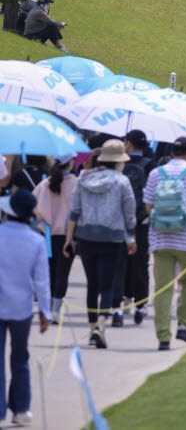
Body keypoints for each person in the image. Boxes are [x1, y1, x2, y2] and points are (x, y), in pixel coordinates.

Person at [65, 139, 136, 349]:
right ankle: (101, 326)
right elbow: (129, 213)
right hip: (112, 238)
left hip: (86, 237)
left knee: (92, 285)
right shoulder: (122, 181)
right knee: (107, 285)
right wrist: (131, 237)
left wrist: (70, 239)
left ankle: (92, 327)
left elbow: (74, 211)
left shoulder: (83, 178)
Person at [143, 137, 186, 350]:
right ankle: (185, 325)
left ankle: (163, 336)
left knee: (163, 287)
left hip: (160, 237)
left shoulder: (156, 173)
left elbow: (148, 205)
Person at [0, 190, 51, 427]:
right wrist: (45, 311)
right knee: (20, 358)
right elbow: (41, 281)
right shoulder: (37, 241)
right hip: (21, 307)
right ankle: (21, 408)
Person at [32, 155, 77, 321]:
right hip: (68, 236)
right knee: (63, 273)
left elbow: (34, 206)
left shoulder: (44, 183)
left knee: (48, 273)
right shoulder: (76, 184)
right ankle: (56, 310)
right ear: (71, 163)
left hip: (46, 235)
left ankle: (47, 308)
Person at [120, 131, 152, 325]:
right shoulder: (150, 164)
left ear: (129, 144)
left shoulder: (119, 164)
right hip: (141, 221)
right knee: (141, 262)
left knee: (122, 261)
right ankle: (141, 304)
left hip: (120, 221)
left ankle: (125, 298)